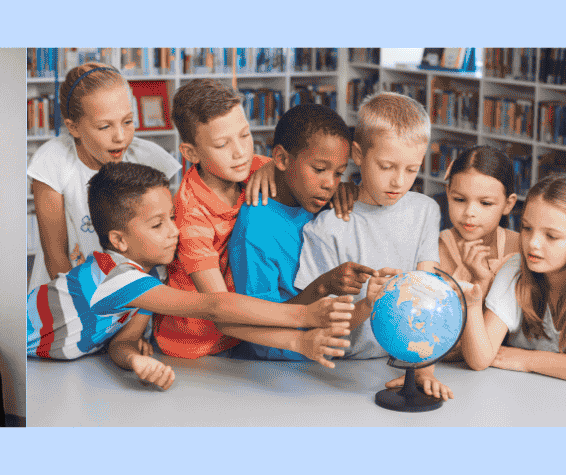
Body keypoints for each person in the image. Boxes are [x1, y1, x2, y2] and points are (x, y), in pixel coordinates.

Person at [27, 162, 356, 389]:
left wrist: (135, 362)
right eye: (158, 225)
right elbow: (213, 306)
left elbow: (124, 341)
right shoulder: (117, 280)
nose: (175, 231)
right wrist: (304, 313)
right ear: (119, 240)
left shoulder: (143, 278)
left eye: (172, 216)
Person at [293, 92, 445, 393]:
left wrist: (425, 369)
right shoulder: (327, 228)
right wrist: (367, 305)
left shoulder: (426, 211)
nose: (399, 181)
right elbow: (315, 326)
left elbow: (429, 300)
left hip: (402, 365)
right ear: (359, 155)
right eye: (387, 166)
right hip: (336, 375)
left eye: (411, 169)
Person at [222, 103, 379, 362]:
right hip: (277, 367)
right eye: (319, 169)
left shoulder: (323, 201)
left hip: (331, 357)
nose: (329, 183)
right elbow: (259, 328)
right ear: (282, 159)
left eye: (339, 173)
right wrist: (322, 287)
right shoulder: (255, 229)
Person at [152, 78, 277, 360]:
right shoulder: (190, 214)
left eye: (245, 135)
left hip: (247, 327)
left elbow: (300, 172)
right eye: (222, 144)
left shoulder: (252, 166)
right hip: (198, 343)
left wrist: (273, 169)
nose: (240, 152)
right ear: (191, 153)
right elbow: (218, 308)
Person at [29, 63, 181, 287]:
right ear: (73, 127)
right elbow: (56, 258)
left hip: (136, 294)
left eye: (128, 122)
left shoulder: (149, 158)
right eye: (104, 127)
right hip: (73, 297)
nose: (120, 137)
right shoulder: (52, 162)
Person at [454, 173, 566, 386]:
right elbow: (480, 359)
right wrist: (473, 304)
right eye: (527, 228)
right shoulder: (514, 270)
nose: (532, 244)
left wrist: (526, 360)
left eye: (551, 236)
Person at [436, 145, 521, 292]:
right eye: (459, 199)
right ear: (448, 194)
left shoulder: (521, 247)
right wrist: (480, 280)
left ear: (508, 204)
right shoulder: (435, 251)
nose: (470, 212)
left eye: (485, 203)